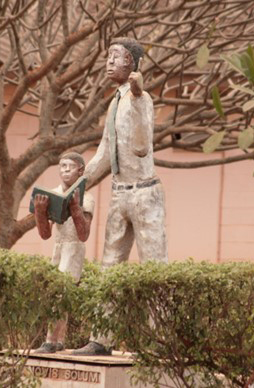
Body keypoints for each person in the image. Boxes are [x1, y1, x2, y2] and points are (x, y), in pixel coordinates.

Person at [73, 38, 168, 356]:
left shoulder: (143, 100)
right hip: (119, 194)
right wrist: (80, 184)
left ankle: (160, 342)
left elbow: (142, 146)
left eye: (116, 57)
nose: (109, 62)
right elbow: (103, 153)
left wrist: (140, 97)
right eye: (108, 56)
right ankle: (101, 339)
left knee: (154, 268)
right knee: (109, 268)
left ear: (132, 63)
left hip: (145, 195)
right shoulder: (115, 102)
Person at [33, 152, 94, 353]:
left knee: (60, 294)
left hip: (73, 248)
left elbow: (84, 234)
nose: (65, 170)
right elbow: (44, 234)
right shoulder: (54, 193)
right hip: (58, 248)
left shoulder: (88, 198)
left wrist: (76, 208)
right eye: (62, 166)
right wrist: (40, 213)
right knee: (58, 295)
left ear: (81, 171)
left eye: (70, 166)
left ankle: (50, 341)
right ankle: (58, 341)